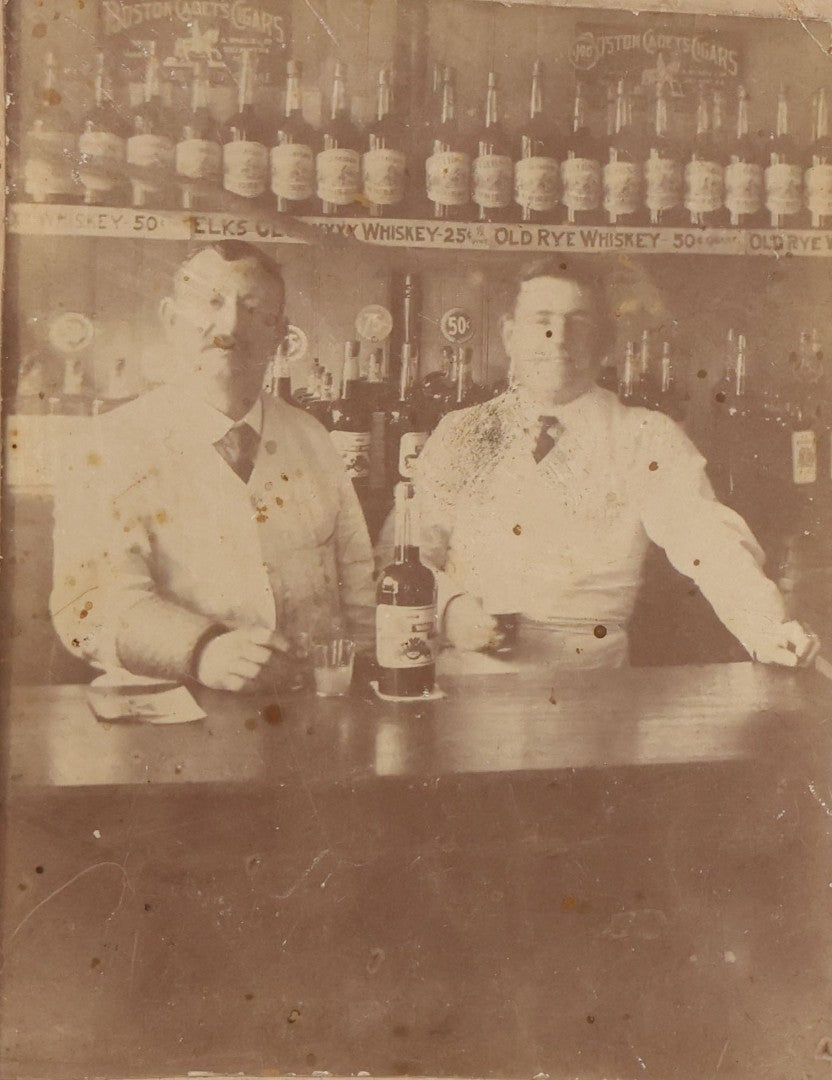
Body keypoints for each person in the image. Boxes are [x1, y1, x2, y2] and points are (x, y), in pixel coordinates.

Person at [413, 257, 820, 671]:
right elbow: (406, 552)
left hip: (592, 688)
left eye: (578, 322)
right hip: (470, 681)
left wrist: (769, 628)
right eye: (542, 320)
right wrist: (448, 608)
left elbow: (709, 541)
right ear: (509, 335)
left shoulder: (644, 437)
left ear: (604, 343)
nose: (558, 338)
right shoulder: (462, 432)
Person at [51, 241, 374, 692]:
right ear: (170, 319)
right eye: (211, 303)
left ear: (279, 336)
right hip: (167, 711)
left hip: (306, 708)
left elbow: (361, 589)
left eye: (254, 311)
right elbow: (87, 606)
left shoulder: (313, 440)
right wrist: (202, 651)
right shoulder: (108, 445)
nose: (229, 326)